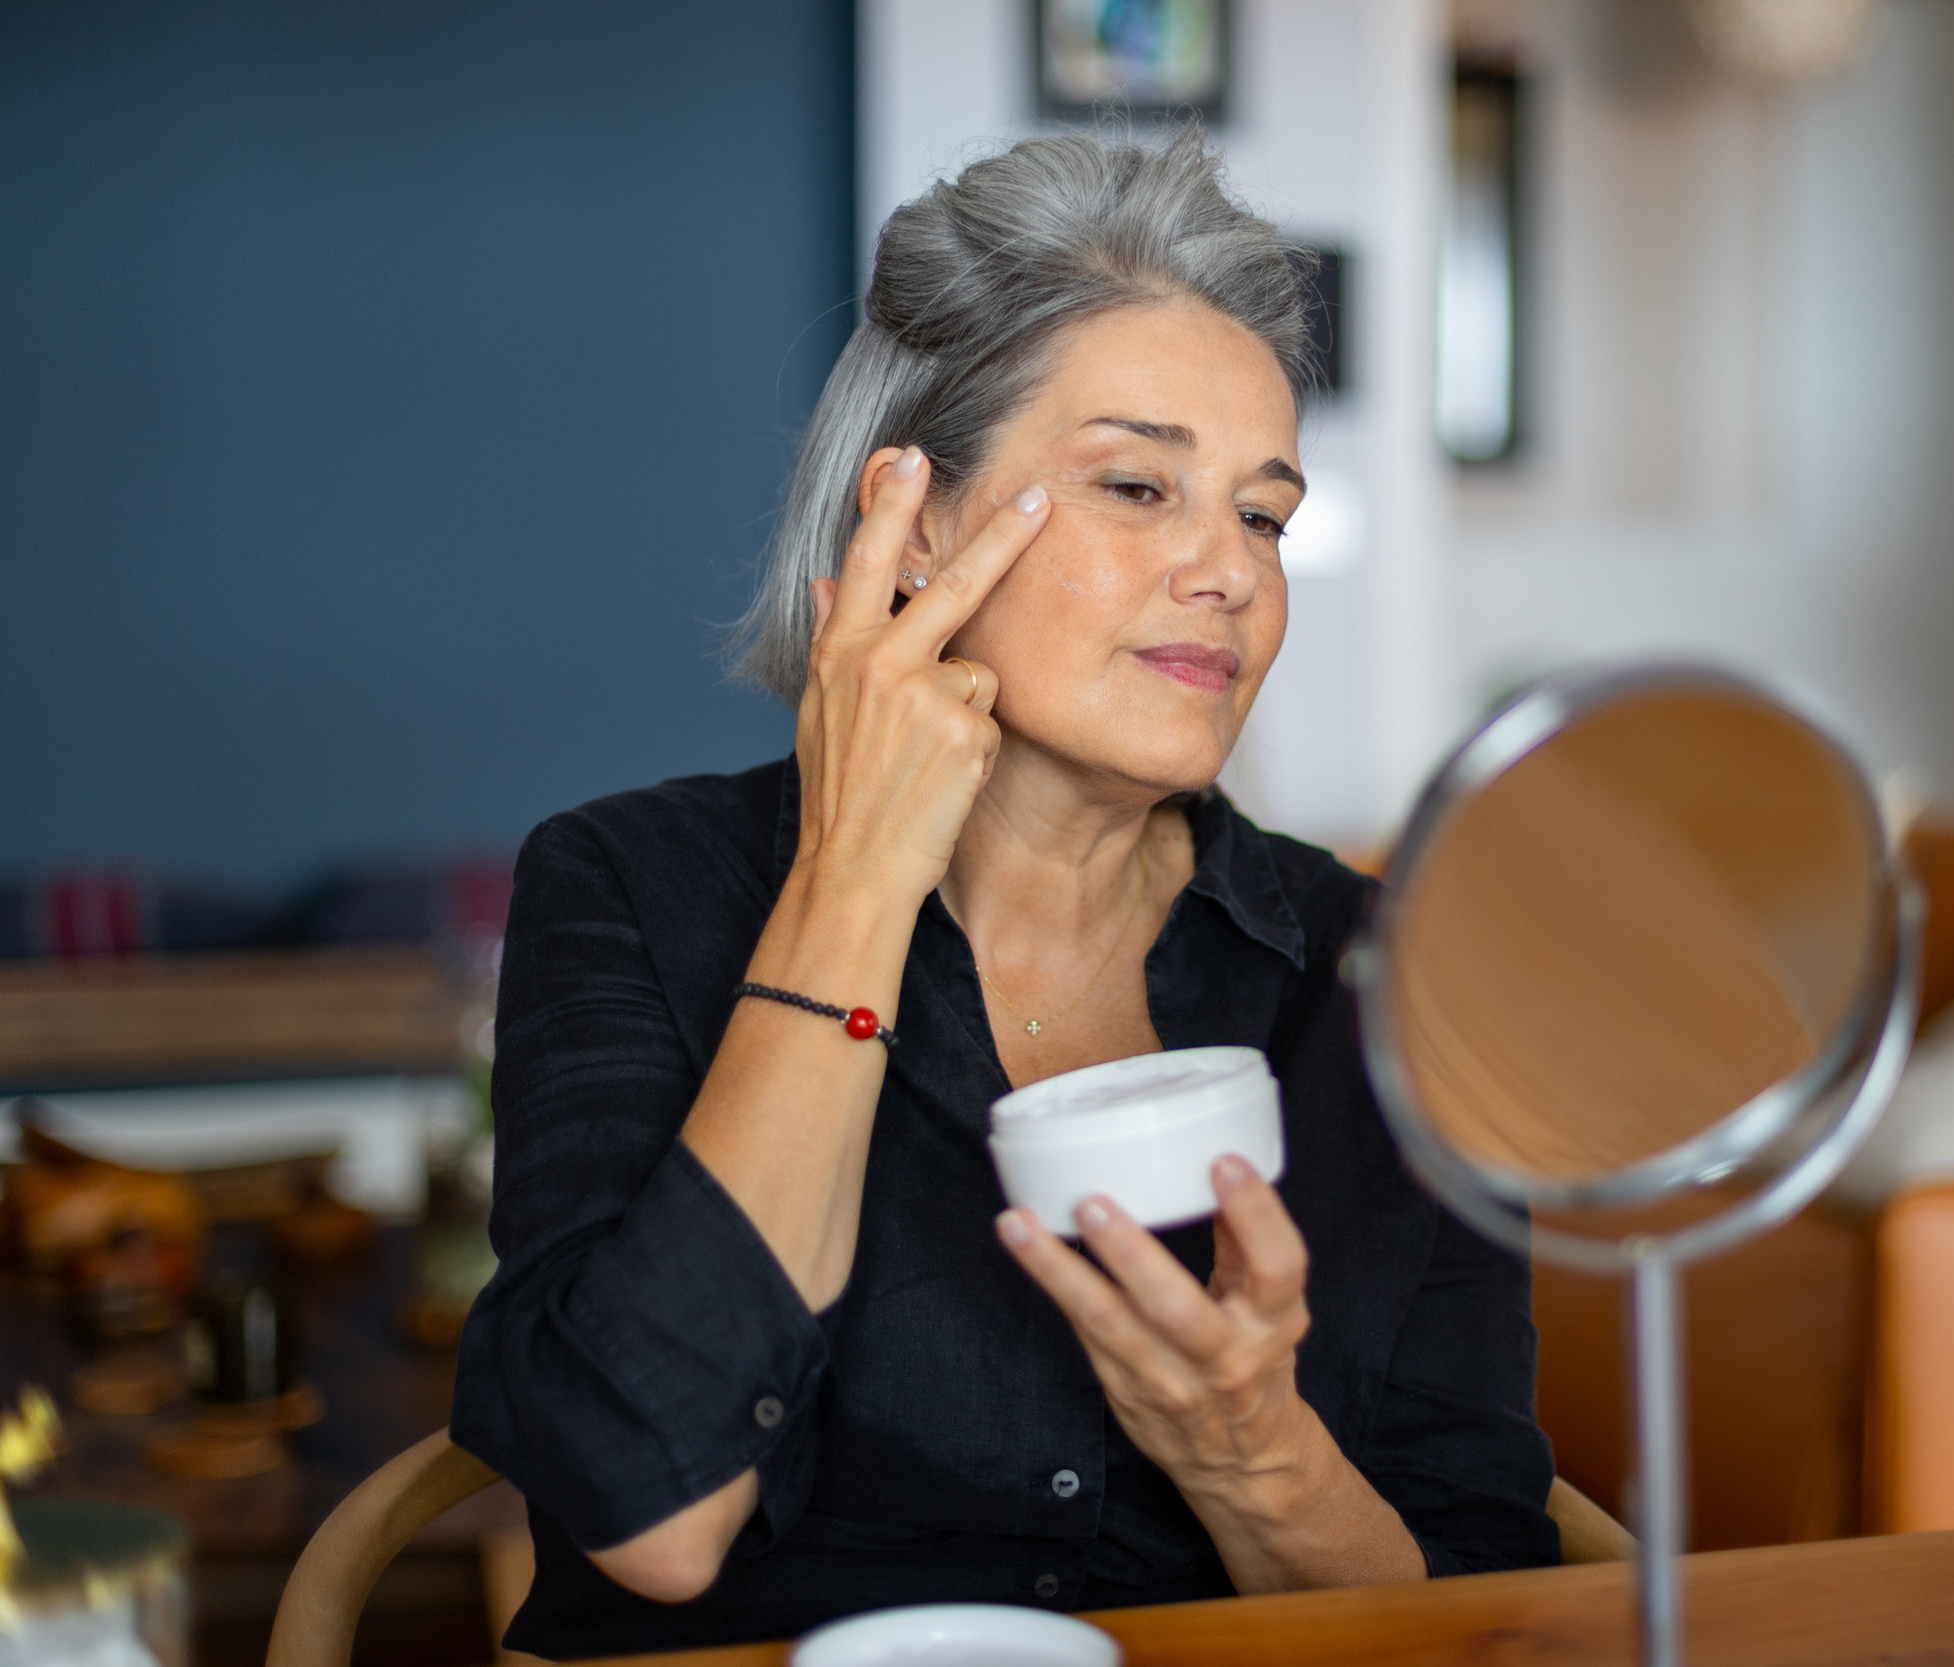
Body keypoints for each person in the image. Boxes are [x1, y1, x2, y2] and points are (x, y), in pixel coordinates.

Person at [452, 127, 1558, 1658]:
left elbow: (1482, 1604)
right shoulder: (632, 888)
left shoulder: (1395, 979)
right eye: (1134, 484)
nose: (1229, 571)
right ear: (911, 528)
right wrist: (852, 878)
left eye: (1262, 514)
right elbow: (647, 1512)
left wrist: (1254, 1452)